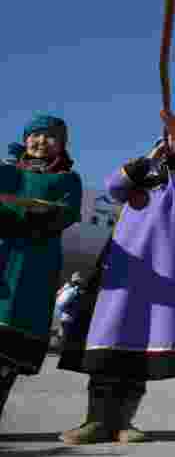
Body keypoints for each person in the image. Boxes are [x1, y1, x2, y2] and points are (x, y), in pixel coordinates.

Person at [58, 110, 175, 445]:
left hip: (155, 282)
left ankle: (124, 421)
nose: (163, 154)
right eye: (159, 149)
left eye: (170, 152)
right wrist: (147, 158)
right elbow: (115, 185)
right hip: (117, 277)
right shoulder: (133, 187)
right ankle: (94, 420)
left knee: (139, 355)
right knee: (105, 348)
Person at [0, 114, 84, 421]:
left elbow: (66, 213)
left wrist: (21, 213)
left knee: (7, 357)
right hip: (4, 253)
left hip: (36, 262)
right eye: (34, 135)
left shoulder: (67, 179)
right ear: (25, 139)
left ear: (61, 145)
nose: (40, 141)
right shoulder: (7, 170)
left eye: (50, 137)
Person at [54, 272, 86, 340]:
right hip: (66, 316)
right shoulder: (72, 290)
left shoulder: (67, 288)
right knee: (62, 335)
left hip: (62, 316)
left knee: (60, 334)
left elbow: (59, 300)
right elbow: (62, 303)